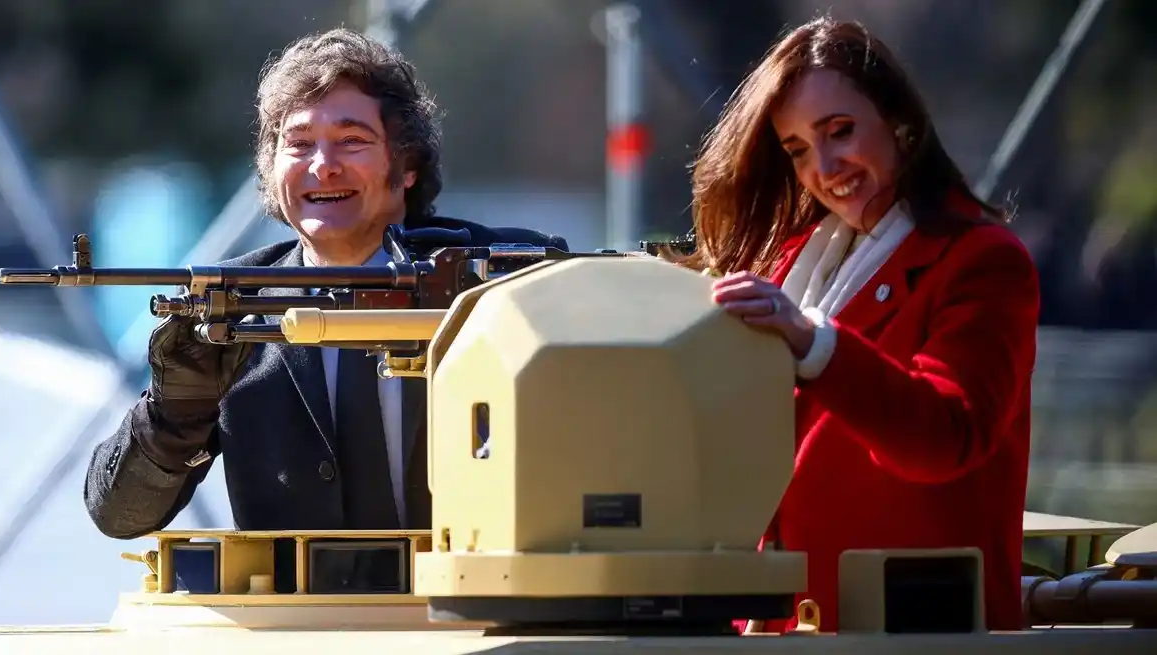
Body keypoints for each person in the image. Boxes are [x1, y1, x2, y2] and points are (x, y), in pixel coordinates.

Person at [83, 28, 568, 591]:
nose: (323, 165)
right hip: (305, 634)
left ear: (406, 165)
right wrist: (173, 416)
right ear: (270, 169)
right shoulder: (235, 305)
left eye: (352, 140)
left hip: (480, 619)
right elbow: (118, 515)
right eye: (298, 143)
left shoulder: (507, 276)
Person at [688, 17, 1040, 632]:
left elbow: (948, 434)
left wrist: (815, 344)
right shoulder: (793, 261)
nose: (823, 166)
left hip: (923, 634)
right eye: (797, 150)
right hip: (788, 628)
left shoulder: (985, 262)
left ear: (901, 123)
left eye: (840, 131)